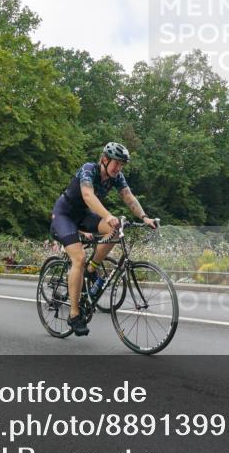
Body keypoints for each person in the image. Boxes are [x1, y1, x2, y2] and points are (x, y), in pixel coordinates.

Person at [50, 142, 156, 336]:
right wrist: (107, 215)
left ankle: (92, 268)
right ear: (104, 160)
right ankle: (74, 315)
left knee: (116, 230)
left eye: (122, 165)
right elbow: (88, 196)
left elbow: (129, 197)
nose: (119, 168)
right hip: (64, 215)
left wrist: (144, 217)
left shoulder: (117, 177)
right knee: (79, 259)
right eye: (116, 163)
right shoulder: (88, 170)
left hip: (83, 216)